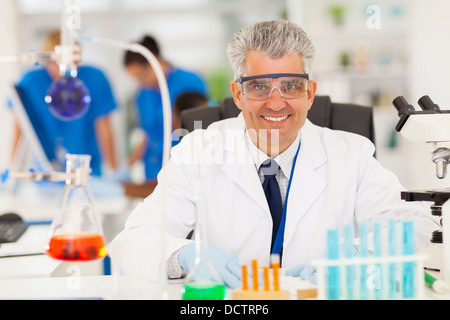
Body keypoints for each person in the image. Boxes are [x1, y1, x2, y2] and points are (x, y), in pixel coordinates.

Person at [112, 20, 440, 288]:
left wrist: (355, 254)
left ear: (310, 94)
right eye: (258, 86)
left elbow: (421, 228)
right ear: (237, 94)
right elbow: (133, 242)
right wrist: (187, 255)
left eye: (291, 86)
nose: (276, 102)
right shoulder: (197, 152)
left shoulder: (350, 155)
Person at [12, 30, 118, 176]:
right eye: (57, 64)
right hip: (47, 171)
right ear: (47, 60)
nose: (64, 71)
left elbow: (104, 125)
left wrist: (114, 171)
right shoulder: (30, 82)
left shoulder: (95, 78)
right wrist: (13, 169)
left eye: (72, 65)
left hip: (86, 171)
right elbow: (21, 124)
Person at [124, 35, 208, 180]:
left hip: (184, 171)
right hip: (153, 173)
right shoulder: (142, 95)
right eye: (134, 78)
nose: (140, 82)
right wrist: (125, 168)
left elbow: (201, 128)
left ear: (154, 62)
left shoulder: (189, 82)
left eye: (140, 76)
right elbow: (147, 135)